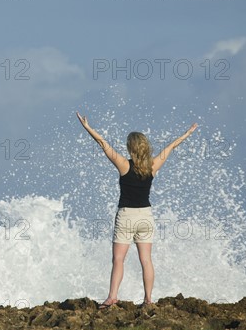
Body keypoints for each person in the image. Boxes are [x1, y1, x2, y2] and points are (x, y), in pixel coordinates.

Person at [76, 111, 198, 309]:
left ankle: (112, 297)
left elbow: (103, 144)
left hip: (126, 216)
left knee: (118, 259)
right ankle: (148, 299)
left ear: (130, 148)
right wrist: (187, 133)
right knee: (146, 260)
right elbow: (171, 147)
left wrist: (87, 127)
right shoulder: (152, 166)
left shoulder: (124, 165)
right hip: (145, 217)